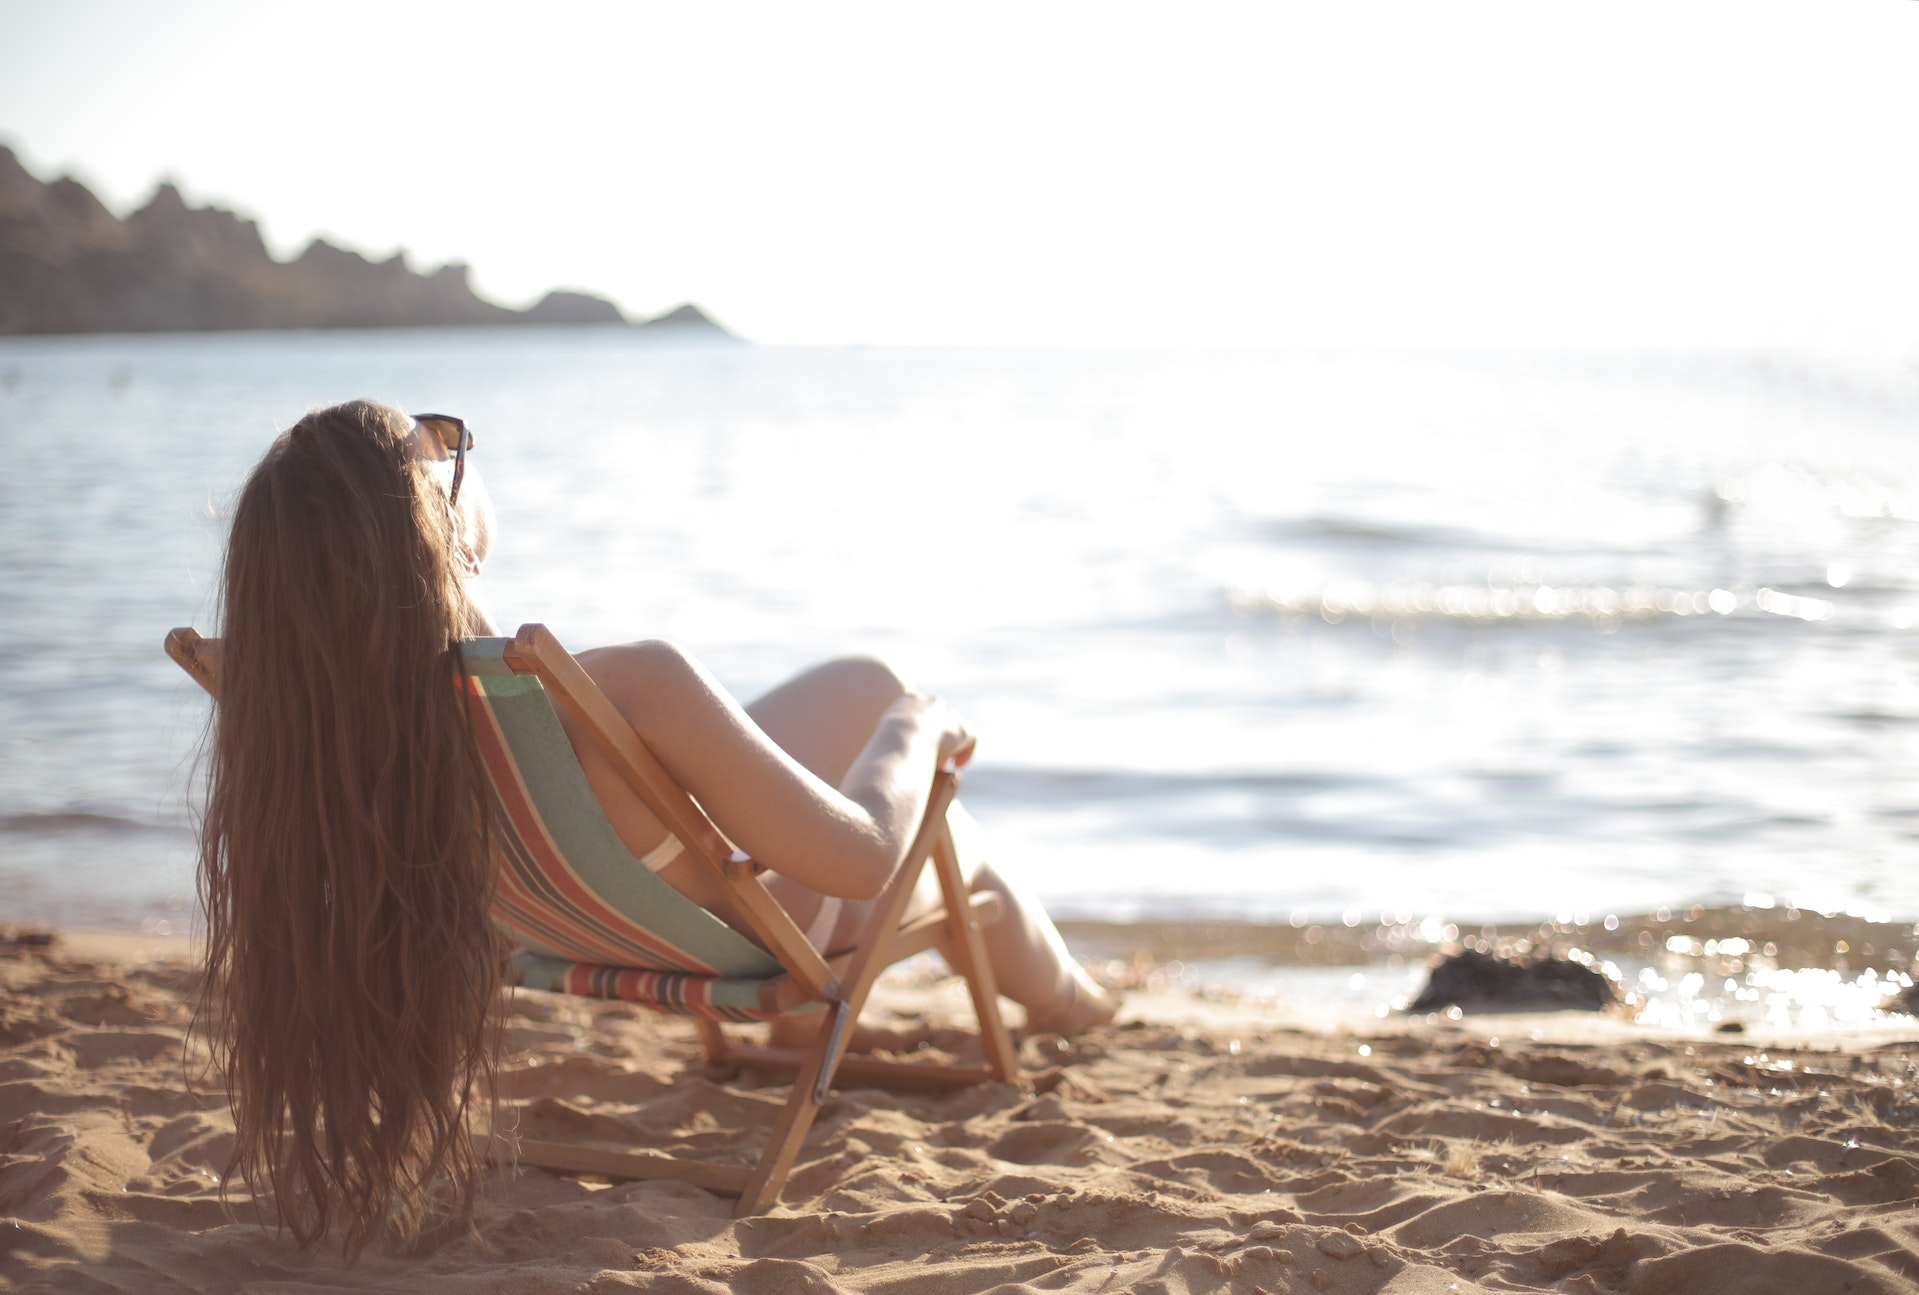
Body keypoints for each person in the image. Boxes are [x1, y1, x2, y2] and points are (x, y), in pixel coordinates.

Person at [195, 399, 1114, 1254]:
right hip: (761, 937)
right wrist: (918, 727)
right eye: (443, 449)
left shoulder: (335, 724)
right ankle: (1075, 1003)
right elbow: (865, 858)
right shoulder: (627, 685)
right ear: (438, 533)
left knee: (857, 683)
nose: (458, 452)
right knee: (953, 842)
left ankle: (960, 1007)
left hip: (603, 919)